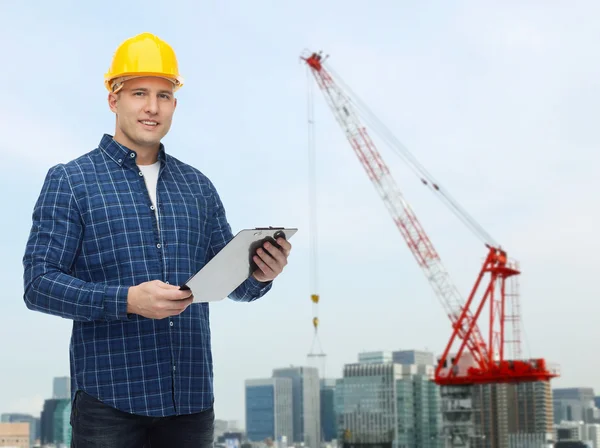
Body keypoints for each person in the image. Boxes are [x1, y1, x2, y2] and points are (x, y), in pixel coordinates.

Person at [22, 32, 291, 447]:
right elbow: (38, 285)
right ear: (114, 99)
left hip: (191, 402)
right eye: (139, 93)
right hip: (109, 403)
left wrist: (260, 274)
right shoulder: (71, 180)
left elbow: (233, 284)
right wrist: (127, 300)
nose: (152, 107)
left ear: (174, 105)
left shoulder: (198, 186)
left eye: (164, 95)